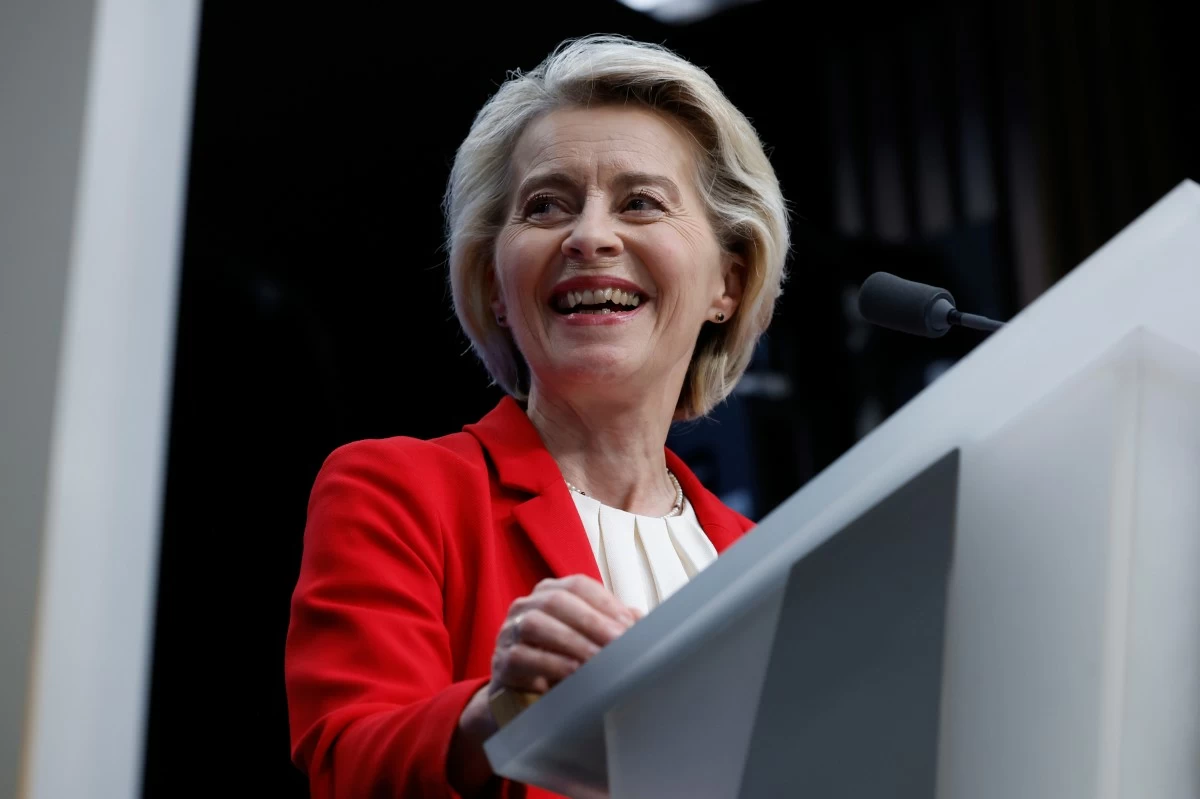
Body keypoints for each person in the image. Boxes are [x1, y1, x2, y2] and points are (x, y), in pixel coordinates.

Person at [284, 34, 789, 798]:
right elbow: (349, 766)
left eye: (641, 202)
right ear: (494, 284)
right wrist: (498, 713)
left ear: (729, 278)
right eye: (545, 205)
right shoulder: (396, 491)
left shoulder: (767, 560)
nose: (589, 235)